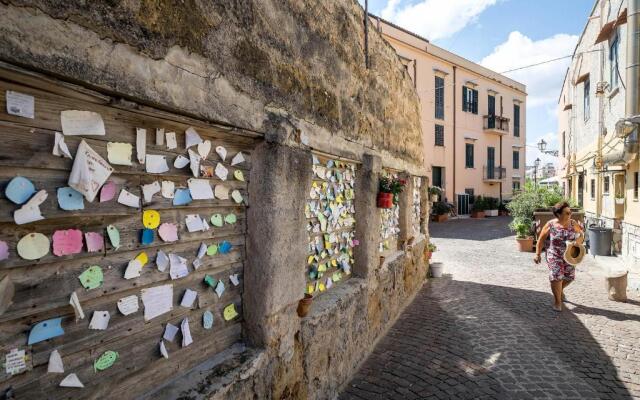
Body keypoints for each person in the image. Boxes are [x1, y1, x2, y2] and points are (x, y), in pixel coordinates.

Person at [533, 201, 584, 312]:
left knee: (570, 277)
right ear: (558, 214)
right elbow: (541, 240)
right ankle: (557, 302)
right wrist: (537, 254)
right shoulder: (550, 224)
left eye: (570, 212)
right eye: (567, 213)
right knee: (556, 276)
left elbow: (581, 234)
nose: (570, 214)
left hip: (569, 255)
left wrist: (578, 240)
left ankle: (559, 290)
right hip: (554, 254)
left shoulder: (573, 223)